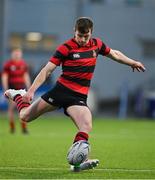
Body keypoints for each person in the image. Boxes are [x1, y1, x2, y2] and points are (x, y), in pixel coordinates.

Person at [4, 17, 145, 171]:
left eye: (86, 36)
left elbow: (115, 54)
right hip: (61, 91)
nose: (83, 39)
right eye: (80, 35)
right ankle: (18, 95)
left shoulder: (96, 44)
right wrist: (30, 91)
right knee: (25, 116)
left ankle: (77, 163)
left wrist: (132, 62)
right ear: (74, 31)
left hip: (78, 97)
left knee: (86, 125)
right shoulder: (66, 48)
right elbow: (47, 70)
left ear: (91, 33)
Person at [2, 48, 31, 134]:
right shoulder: (8, 64)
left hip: (21, 89)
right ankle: (12, 128)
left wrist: (29, 88)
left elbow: (25, 76)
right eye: (15, 53)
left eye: (18, 53)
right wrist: (6, 89)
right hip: (12, 89)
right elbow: (4, 77)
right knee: (11, 108)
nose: (17, 55)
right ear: (12, 54)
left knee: (23, 108)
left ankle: (24, 128)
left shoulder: (23, 64)